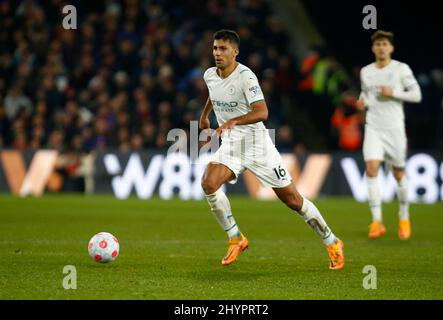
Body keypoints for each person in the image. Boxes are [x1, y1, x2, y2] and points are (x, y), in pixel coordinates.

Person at [199, 29, 344, 269]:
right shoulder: (209, 75)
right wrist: (205, 116)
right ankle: (236, 238)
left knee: (293, 200)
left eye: (223, 48)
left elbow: (262, 112)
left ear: (235, 52)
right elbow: (214, 95)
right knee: (208, 182)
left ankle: (333, 242)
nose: (217, 53)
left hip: (258, 146)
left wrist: (233, 121)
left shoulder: (246, 77)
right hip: (233, 145)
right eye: (215, 48)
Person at [356, 30, 422, 240]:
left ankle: (404, 217)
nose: (381, 48)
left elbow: (416, 95)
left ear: (391, 48)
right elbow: (366, 94)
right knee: (372, 169)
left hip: (394, 128)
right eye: (378, 45)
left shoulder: (401, 69)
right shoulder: (366, 71)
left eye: (385, 44)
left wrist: (393, 92)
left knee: (398, 173)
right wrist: (361, 102)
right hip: (373, 126)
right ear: (373, 48)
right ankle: (376, 221)